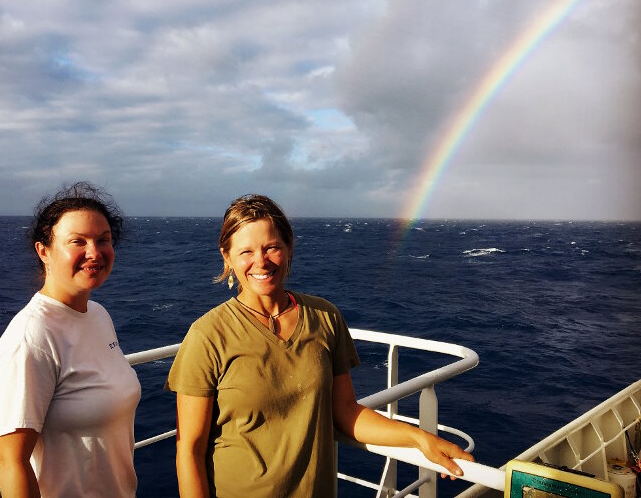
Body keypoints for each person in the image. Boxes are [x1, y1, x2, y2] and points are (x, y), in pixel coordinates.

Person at [165, 194, 473, 497]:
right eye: (246, 251)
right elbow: (189, 449)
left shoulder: (325, 317)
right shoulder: (207, 335)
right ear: (227, 256)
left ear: (288, 249)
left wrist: (420, 439)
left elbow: (345, 412)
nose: (260, 261)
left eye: (271, 247)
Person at [0, 182, 140, 498]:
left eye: (103, 240)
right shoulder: (32, 338)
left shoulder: (97, 315)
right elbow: (9, 460)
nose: (94, 253)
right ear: (44, 251)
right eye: (77, 242)